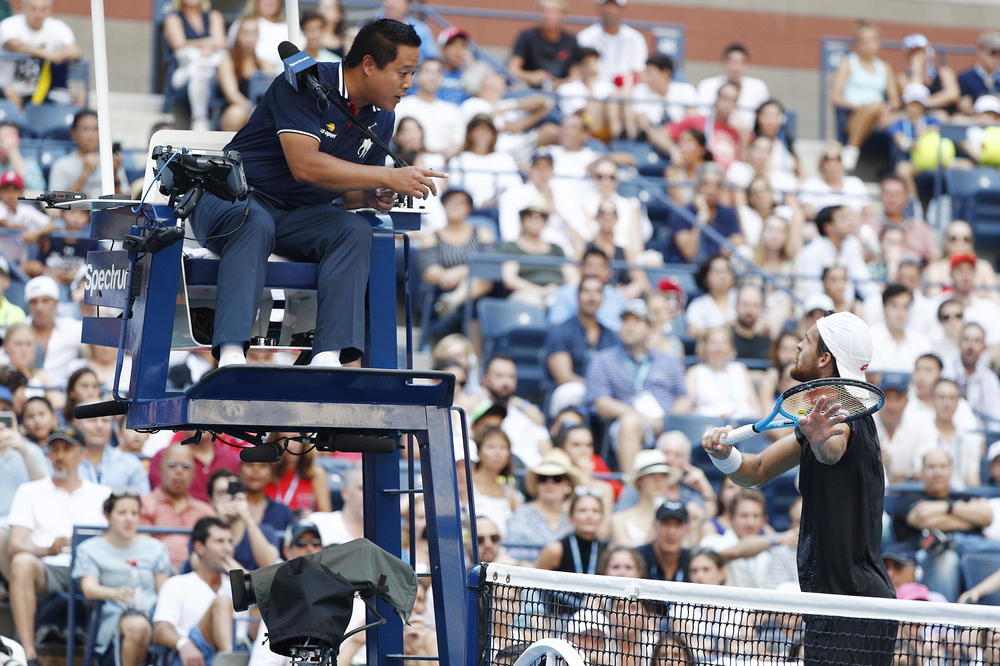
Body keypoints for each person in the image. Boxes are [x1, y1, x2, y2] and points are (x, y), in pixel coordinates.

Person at [190, 19, 443, 368]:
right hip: (232, 198)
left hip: (296, 215)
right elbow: (305, 167)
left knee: (354, 230)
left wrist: (370, 195)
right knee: (255, 223)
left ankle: (327, 357)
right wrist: (388, 174)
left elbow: (350, 191)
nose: (409, 83)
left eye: (413, 73)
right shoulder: (304, 83)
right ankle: (232, 355)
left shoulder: (383, 115)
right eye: (403, 72)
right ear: (369, 65)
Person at [701, 312, 897, 662]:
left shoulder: (843, 417)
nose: (796, 345)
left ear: (824, 359)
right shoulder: (818, 421)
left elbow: (832, 450)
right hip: (827, 605)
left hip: (856, 607)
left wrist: (821, 442)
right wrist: (723, 455)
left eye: (806, 341)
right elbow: (756, 471)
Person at [6, 427, 111, 665]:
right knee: (21, 562)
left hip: (89, 570)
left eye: (67, 449)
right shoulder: (30, 491)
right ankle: (29, 655)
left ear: (82, 454)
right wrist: (47, 550)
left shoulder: (102, 494)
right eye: (54, 449)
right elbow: (16, 545)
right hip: (48, 568)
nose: (60, 456)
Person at [586, 299, 691, 473]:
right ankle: (631, 485)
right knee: (630, 423)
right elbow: (601, 403)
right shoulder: (603, 360)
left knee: (678, 439)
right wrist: (642, 417)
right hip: (626, 422)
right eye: (625, 321)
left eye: (636, 321)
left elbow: (684, 398)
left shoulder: (668, 361)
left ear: (649, 327)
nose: (629, 326)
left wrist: (667, 420)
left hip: (665, 423)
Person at [73, 494, 172, 666]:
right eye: (122, 513)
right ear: (108, 516)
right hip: (112, 612)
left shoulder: (156, 548)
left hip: (152, 612)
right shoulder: (90, 549)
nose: (129, 519)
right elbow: (89, 588)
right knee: (137, 627)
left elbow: (164, 591)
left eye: (134, 513)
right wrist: (114, 593)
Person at [892, 449, 993, 602]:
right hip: (928, 558)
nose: (937, 472)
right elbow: (925, 520)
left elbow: (987, 517)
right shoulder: (909, 498)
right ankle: (945, 616)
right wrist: (970, 519)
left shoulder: (964, 496)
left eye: (943, 466)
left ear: (951, 470)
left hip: (972, 551)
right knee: (946, 558)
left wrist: (946, 507)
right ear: (922, 471)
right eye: (931, 467)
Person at [152, 517, 242, 666]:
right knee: (222, 602)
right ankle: (229, 660)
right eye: (219, 541)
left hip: (241, 651)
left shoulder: (238, 586)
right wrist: (183, 644)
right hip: (195, 656)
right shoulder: (177, 584)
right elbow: (160, 630)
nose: (227, 548)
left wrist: (246, 583)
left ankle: (229, 658)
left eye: (230, 542)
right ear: (200, 547)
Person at [544, 274, 618, 417]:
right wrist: (597, 389)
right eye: (587, 291)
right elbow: (563, 376)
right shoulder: (561, 331)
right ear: (577, 296)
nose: (592, 297)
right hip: (575, 392)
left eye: (597, 292)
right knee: (571, 392)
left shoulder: (611, 336)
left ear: (603, 298)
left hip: (605, 396)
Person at [830, 21, 900, 172]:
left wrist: (883, 109)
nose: (870, 45)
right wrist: (858, 107)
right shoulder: (848, 64)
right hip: (852, 116)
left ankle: (852, 149)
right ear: (858, 44)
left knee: (880, 108)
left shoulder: (885, 67)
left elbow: (895, 101)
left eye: (874, 40)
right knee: (876, 106)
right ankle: (853, 148)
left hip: (879, 117)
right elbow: (835, 97)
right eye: (865, 41)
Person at [140, 444, 216, 570]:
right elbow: (142, 550)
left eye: (186, 467)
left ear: (193, 473)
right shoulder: (144, 504)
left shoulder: (205, 512)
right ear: (160, 468)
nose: (179, 471)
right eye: (172, 465)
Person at [0, 0, 80, 108]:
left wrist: (67, 53)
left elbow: (74, 50)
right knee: (13, 99)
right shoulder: (9, 24)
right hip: (7, 88)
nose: (38, 14)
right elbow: (15, 45)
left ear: (49, 10)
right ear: (24, 8)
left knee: (78, 101)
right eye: (33, 8)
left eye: (43, 9)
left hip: (42, 91)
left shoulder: (58, 27)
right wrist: (48, 54)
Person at [505, 449, 578, 563]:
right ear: (537, 483)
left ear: (568, 484)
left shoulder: (575, 515)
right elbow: (514, 554)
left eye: (557, 478)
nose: (549, 484)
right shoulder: (523, 513)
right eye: (543, 478)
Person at [163, 0, 226, 132]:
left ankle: (199, 118)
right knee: (199, 68)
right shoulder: (173, 18)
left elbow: (221, 42)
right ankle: (200, 119)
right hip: (184, 67)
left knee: (200, 70)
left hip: (209, 70)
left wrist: (193, 44)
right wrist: (208, 44)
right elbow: (178, 44)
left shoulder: (214, 16)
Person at [207, 469, 281, 570]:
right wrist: (220, 522)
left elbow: (269, 565)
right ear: (211, 500)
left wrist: (247, 517)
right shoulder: (204, 531)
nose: (229, 497)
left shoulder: (265, 531)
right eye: (222, 493)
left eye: (234, 491)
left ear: (244, 495)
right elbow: (200, 565)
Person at [670, 163, 742, 264]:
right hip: (691, 268)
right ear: (697, 186)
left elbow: (738, 238)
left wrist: (730, 243)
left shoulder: (728, 213)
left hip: (720, 266)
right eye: (706, 184)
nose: (711, 190)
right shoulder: (682, 213)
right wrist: (702, 217)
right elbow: (689, 253)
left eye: (717, 185)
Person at [610, 448, 684, 547]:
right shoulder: (618, 520)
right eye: (652, 475)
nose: (658, 480)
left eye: (663, 475)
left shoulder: (677, 516)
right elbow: (626, 553)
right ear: (639, 481)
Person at [445, 114, 521, 209]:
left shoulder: (505, 159)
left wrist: (494, 200)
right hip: (467, 209)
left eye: (487, 130)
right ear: (470, 134)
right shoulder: (459, 159)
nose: (482, 134)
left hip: (499, 208)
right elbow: (455, 189)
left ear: (493, 134)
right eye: (478, 130)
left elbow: (515, 187)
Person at [685, 327, 761, 420]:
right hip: (711, 424)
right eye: (713, 342)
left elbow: (756, 407)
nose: (718, 348)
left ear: (730, 347)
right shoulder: (695, 372)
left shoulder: (740, 368)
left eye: (724, 342)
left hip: (744, 423)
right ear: (704, 346)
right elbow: (685, 407)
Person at [47, 110, 128, 197]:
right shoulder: (61, 165)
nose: (91, 134)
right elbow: (57, 201)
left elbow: (122, 201)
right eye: (86, 129)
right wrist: (85, 173)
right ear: (74, 134)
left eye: (96, 129)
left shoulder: (112, 163)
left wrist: (114, 173)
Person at [394, 58, 464, 157]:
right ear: (417, 76)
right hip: (408, 161)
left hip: (444, 163)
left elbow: (458, 143)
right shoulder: (401, 106)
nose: (433, 76)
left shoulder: (452, 110)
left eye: (438, 72)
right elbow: (394, 139)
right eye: (428, 71)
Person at [75, 406, 150, 496]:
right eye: (92, 420)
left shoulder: (130, 463)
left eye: (105, 420)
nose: (99, 425)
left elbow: (143, 499)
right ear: (76, 424)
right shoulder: (65, 461)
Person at [149, 430, 241, 503]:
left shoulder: (231, 459)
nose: (201, 424)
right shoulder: (163, 457)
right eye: (172, 465)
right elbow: (162, 499)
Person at [697, 43, 770, 130]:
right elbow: (701, 114)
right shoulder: (707, 85)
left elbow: (766, 116)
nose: (736, 68)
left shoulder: (758, 87)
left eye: (740, 63)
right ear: (724, 63)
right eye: (732, 62)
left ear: (747, 64)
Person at [508, 0, 578, 89]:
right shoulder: (527, 36)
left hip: (560, 90)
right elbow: (513, 69)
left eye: (553, 11)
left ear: (563, 14)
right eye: (543, 11)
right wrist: (530, 76)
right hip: (529, 89)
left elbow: (575, 75)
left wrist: (558, 84)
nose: (547, 15)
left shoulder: (571, 41)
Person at [216, 17, 269, 132]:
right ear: (237, 35)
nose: (250, 37)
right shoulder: (227, 60)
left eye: (254, 33)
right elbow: (232, 94)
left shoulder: (263, 63)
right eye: (245, 33)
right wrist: (252, 109)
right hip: (235, 107)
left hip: (259, 109)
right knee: (236, 114)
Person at [534, 491, 608, 574]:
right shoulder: (556, 550)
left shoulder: (607, 551)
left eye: (595, 511)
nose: (589, 516)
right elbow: (535, 579)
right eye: (583, 510)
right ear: (571, 517)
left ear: (602, 517)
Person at [626, 54, 698, 136]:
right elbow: (642, 122)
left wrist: (672, 130)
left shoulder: (686, 90)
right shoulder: (640, 90)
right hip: (652, 135)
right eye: (645, 73)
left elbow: (693, 117)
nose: (645, 78)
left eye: (649, 74)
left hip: (681, 134)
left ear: (665, 73)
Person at [869, 284, 932, 374]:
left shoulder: (921, 341)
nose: (900, 313)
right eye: (894, 306)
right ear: (884, 307)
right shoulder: (869, 338)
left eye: (905, 307)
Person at [948, 322, 1000, 430]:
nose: (970, 346)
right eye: (966, 339)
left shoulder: (989, 379)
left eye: (976, 341)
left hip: (981, 435)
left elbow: (994, 416)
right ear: (959, 342)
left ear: (984, 346)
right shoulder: (947, 371)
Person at [0, 171, 52, 269]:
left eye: (15, 190)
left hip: (20, 264)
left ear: (21, 192)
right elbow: (5, 223)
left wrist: (36, 234)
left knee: (37, 268)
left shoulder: (26, 210)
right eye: (6, 190)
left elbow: (52, 224)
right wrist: (26, 230)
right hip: (1, 263)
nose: (10, 194)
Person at [308, 461, 364, 546]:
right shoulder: (318, 523)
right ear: (345, 492)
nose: (369, 495)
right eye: (362, 489)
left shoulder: (384, 533)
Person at [635, 500, 692, 582]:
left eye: (678, 525)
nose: (671, 531)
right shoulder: (638, 558)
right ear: (655, 526)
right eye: (666, 524)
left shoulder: (692, 561)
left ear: (687, 529)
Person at [685, 254, 736, 339]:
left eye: (727, 271)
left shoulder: (740, 298)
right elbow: (692, 332)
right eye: (718, 271)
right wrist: (723, 328)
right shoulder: (698, 305)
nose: (723, 276)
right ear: (706, 277)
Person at [956, 32, 1000, 114]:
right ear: (981, 52)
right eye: (993, 53)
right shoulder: (965, 78)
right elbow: (965, 107)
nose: (997, 58)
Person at [731, 283, 771, 361]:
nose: (749, 310)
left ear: (762, 308)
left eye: (755, 305)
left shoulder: (767, 339)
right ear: (736, 306)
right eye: (745, 304)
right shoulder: (726, 336)